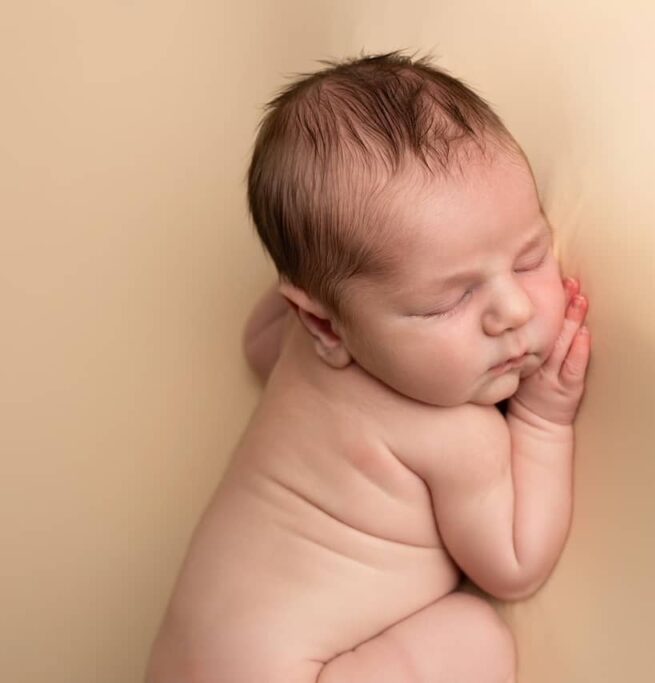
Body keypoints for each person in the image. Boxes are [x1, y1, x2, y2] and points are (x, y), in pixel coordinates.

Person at [146, 49, 591, 683]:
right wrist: (545, 421)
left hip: (180, 663)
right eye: (449, 300)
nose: (513, 310)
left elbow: (257, 341)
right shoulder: (456, 434)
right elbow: (515, 564)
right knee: (475, 635)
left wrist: (332, 273)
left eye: (529, 257)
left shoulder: (301, 344)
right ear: (326, 323)